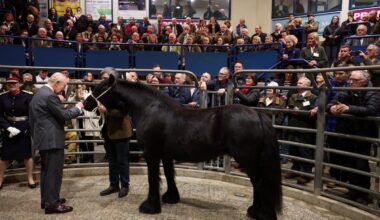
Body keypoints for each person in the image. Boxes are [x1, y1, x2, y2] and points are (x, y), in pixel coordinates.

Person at [29, 72, 84, 214]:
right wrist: (78, 107)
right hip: (52, 139)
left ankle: (47, 200)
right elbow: (65, 116)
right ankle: (53, 204)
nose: (63, 89)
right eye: (64, 85)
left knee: (46, 172)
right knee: (53, 172)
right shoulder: (50, 96)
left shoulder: (40, 93)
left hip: (43, 137)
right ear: (57, 83)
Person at [327, 70, 380, 205]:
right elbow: (331, 103)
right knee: (349, 162)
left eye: (354, 80)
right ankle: (352, 190)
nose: (350, 82)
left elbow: (371, 110)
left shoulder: (372, 92)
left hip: (363, 135)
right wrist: (332, 108)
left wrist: (348, 108)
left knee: (361, 164)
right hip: (347, 133)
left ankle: (363, 194)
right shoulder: (346, 91)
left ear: (364, 82)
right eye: (350, 79)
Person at [97, 67, 133, 198]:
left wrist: (105, 111)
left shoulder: (122, 92)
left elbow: (123, 112)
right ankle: (113, 185)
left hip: (120, 131)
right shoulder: (103, 92)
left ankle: (125, 185)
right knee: (112, 160)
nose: (103, 82)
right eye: (102, 79)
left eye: (105, 79)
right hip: (108, 130)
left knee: (122, 160)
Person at [0, 73, 36, 190]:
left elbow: (32, 116)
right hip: (8, 129)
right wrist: (8, 127)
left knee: (27, 156)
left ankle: (30, 178)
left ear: (20, 84)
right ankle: (0, 178)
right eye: (9, 83)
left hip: (24, 129)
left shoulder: (28, 96)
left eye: (14, 83)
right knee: (5, 157)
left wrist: (21, 129)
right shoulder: (2, 97)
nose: (12, 85)